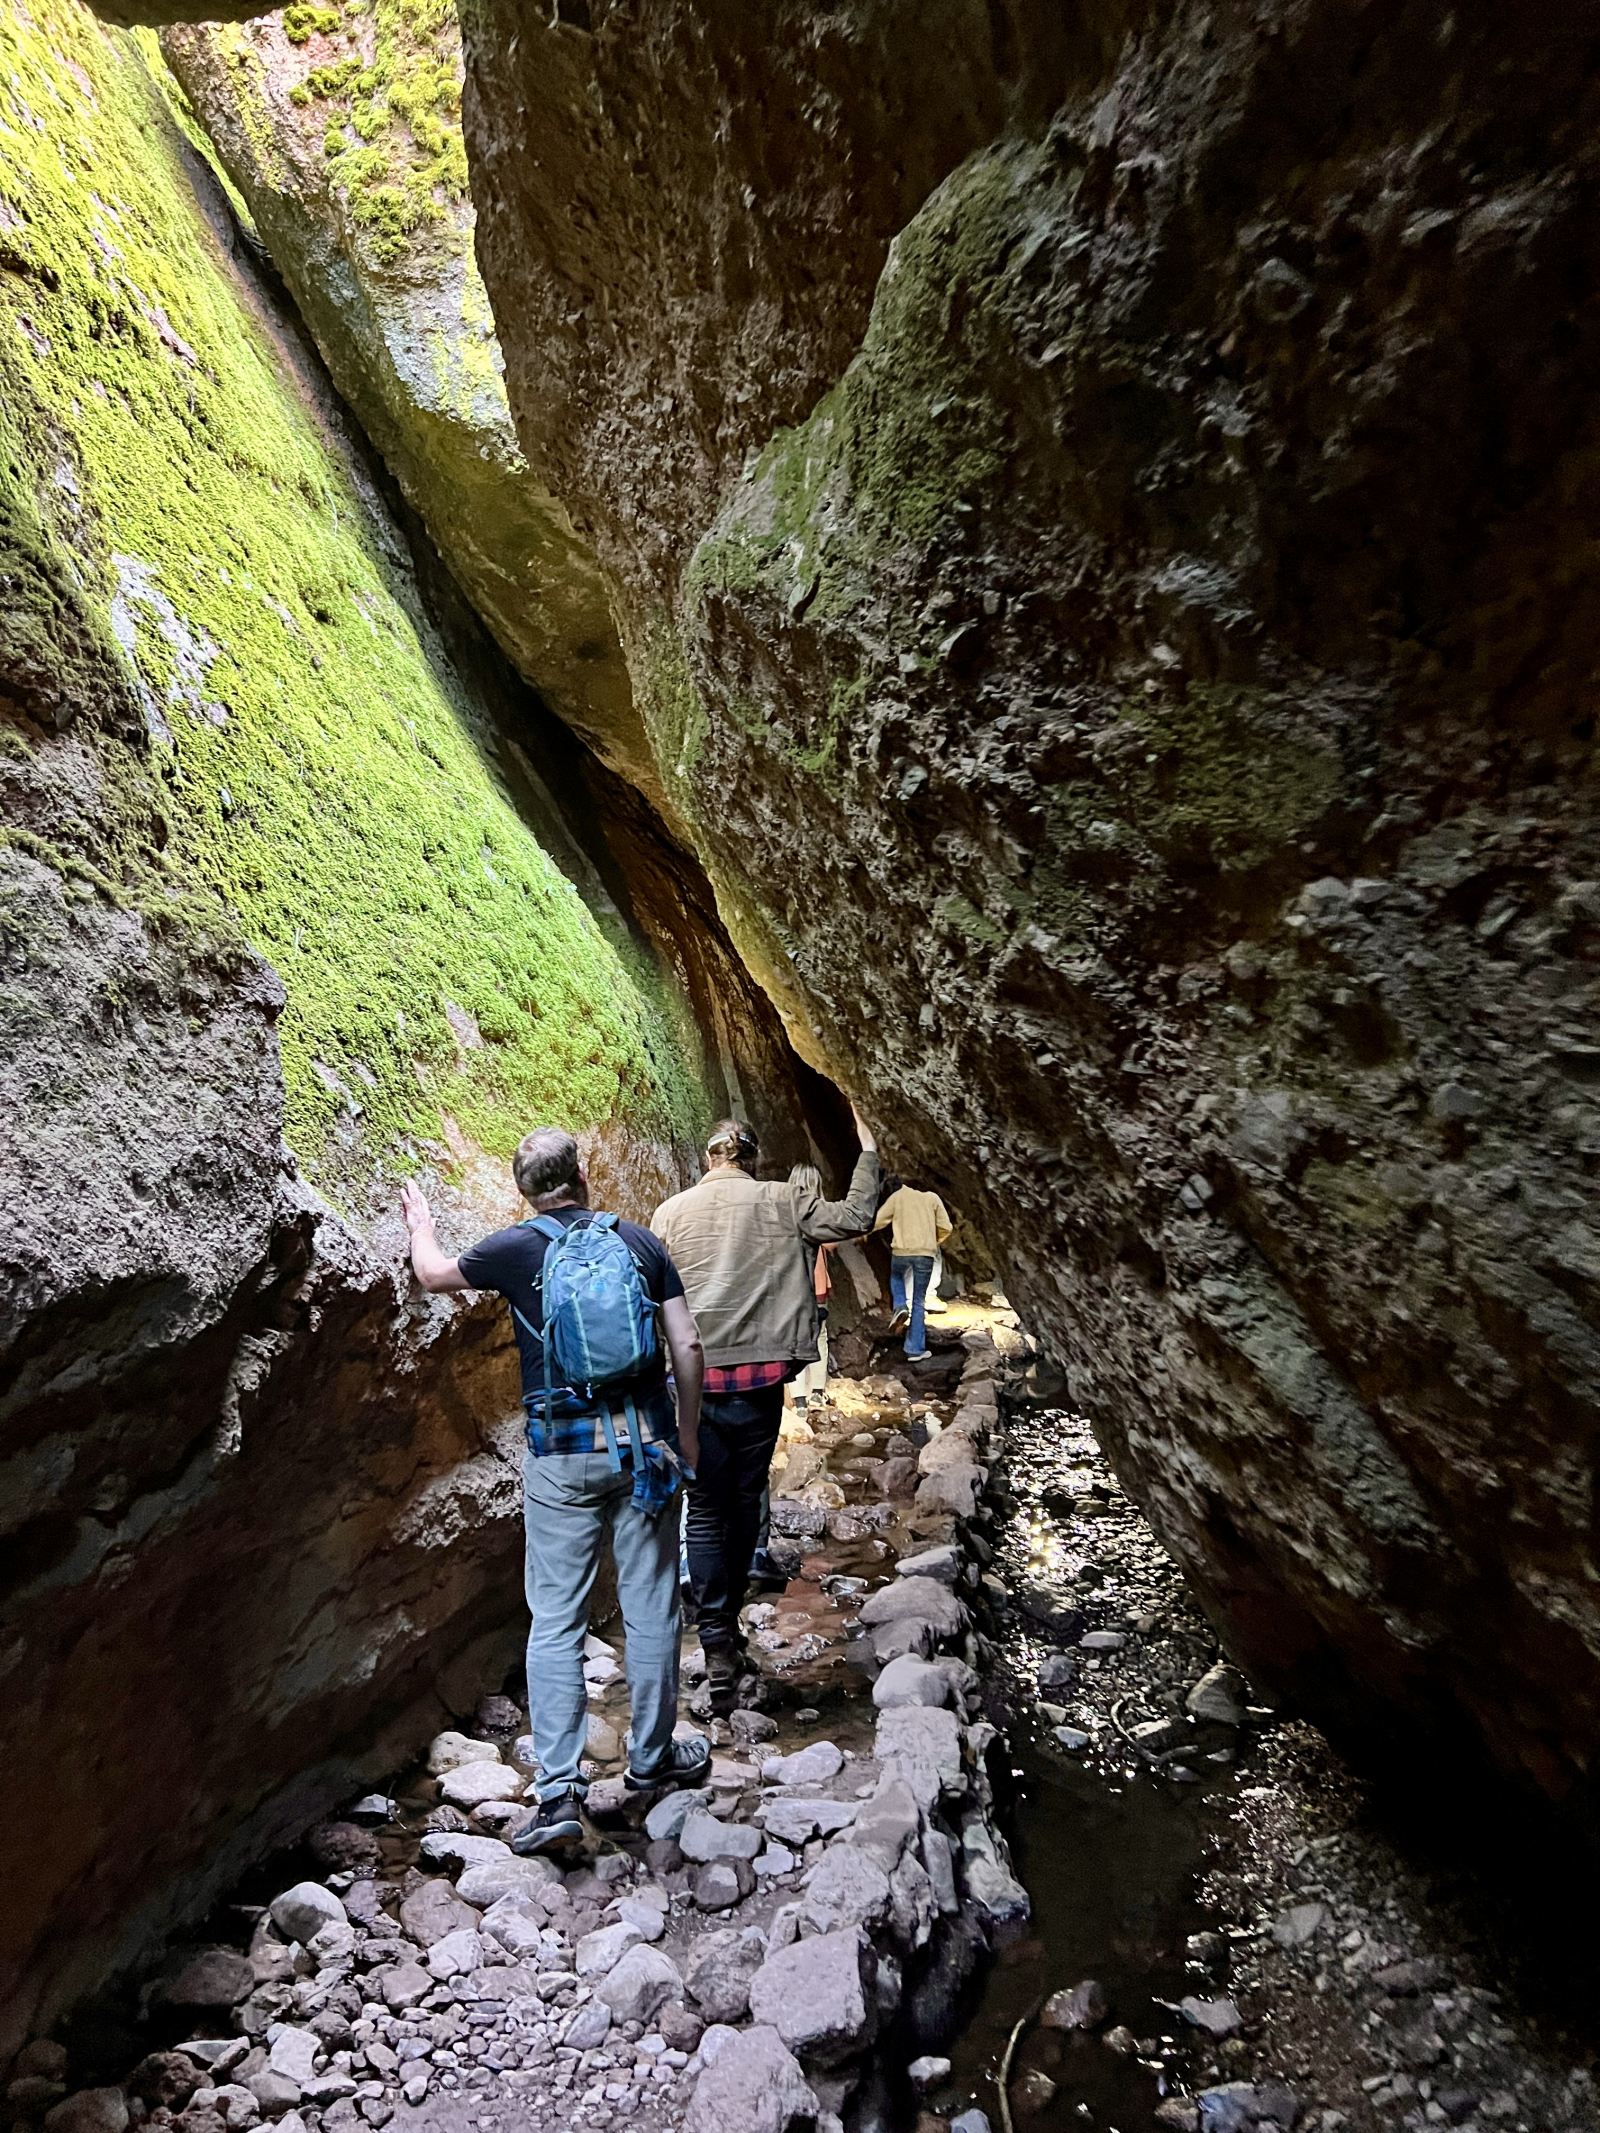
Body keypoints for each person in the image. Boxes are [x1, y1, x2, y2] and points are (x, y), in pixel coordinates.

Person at [401, 1127, 710, 1857]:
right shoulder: (638, 1242)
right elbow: (688, 1344)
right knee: (651, 1609)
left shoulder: (515, 1249)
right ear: (583, 1175)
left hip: (561, 1461)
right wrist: (689, 1435)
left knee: (556, 1621)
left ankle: (560, 1792)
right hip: (646, 1452)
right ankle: (652, 1757)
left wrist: (420, 1226)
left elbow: (434, 1275)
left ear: (524, 1192)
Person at [652, 1109, 879, 1707]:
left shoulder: (669, 1214)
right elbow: (855, 1217)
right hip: (758, 1382)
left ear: (708, 1158)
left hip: (693, 1384)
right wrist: (868, 1151)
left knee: (704, 1510)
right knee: (745, 1498)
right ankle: (727, 1629)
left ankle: (717, 1641)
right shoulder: (784, 1199)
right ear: (751, 1159)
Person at [873, 1178, 952, 1361]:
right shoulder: (932, 1198)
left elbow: (879, 1220)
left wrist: (864, 1233)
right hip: (924, 1255)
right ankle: (914, 1350)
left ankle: (900, 1305)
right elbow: (946, 1227)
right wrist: (934, 1242)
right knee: (918, 1302)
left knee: (896, 1277)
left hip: (901, 1253)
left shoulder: (898, 1196)